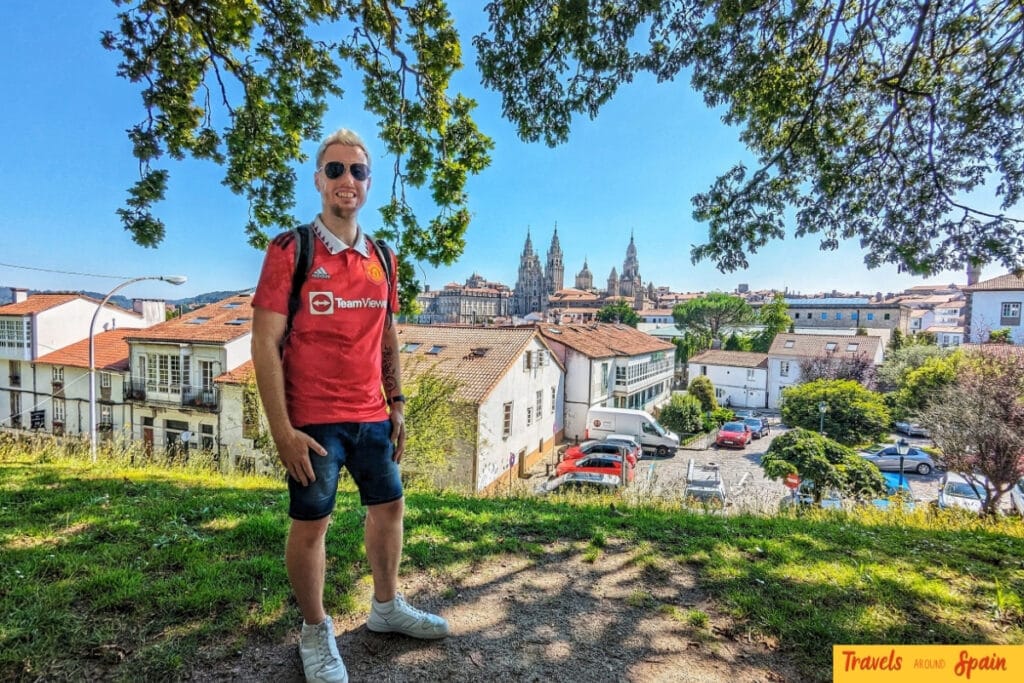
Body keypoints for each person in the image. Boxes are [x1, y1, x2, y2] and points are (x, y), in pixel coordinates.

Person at [252, 128, 448, 683]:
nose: (346, 181)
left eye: (357, 172)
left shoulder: (383, 257)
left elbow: (388, 336)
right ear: (318, 180)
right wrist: (282, 431)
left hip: (372, 416)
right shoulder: (291, 250)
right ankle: (315, 633)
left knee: (389, 508)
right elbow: (263, 342)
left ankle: (385, 609)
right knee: (311, 525)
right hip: (312, 421)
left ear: (368, 183)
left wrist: (399, 403)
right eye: (335, 170)